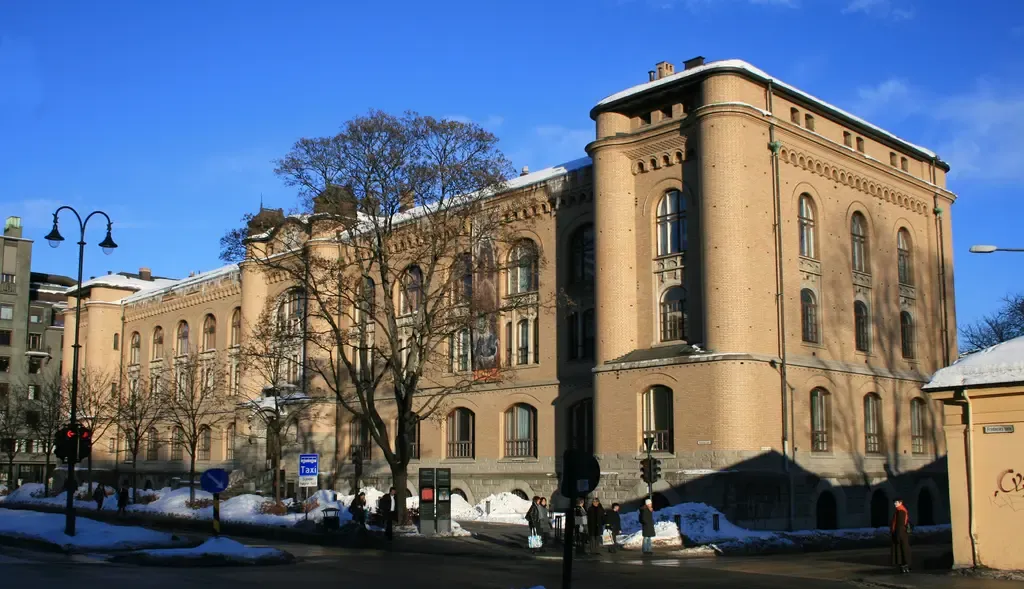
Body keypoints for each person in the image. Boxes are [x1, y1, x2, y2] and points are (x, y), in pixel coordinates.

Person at [891, 498, 912, 574]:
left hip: (900, 534)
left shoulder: (900, 511)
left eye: (896, 502)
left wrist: (897, 535)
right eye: (894, 502)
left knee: (901, 550)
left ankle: (904, 566)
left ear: (900, 502)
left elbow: (899, 524)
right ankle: (905, 566)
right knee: (903, 549)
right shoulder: (901, 510)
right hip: (902, 533)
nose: (895, 504)